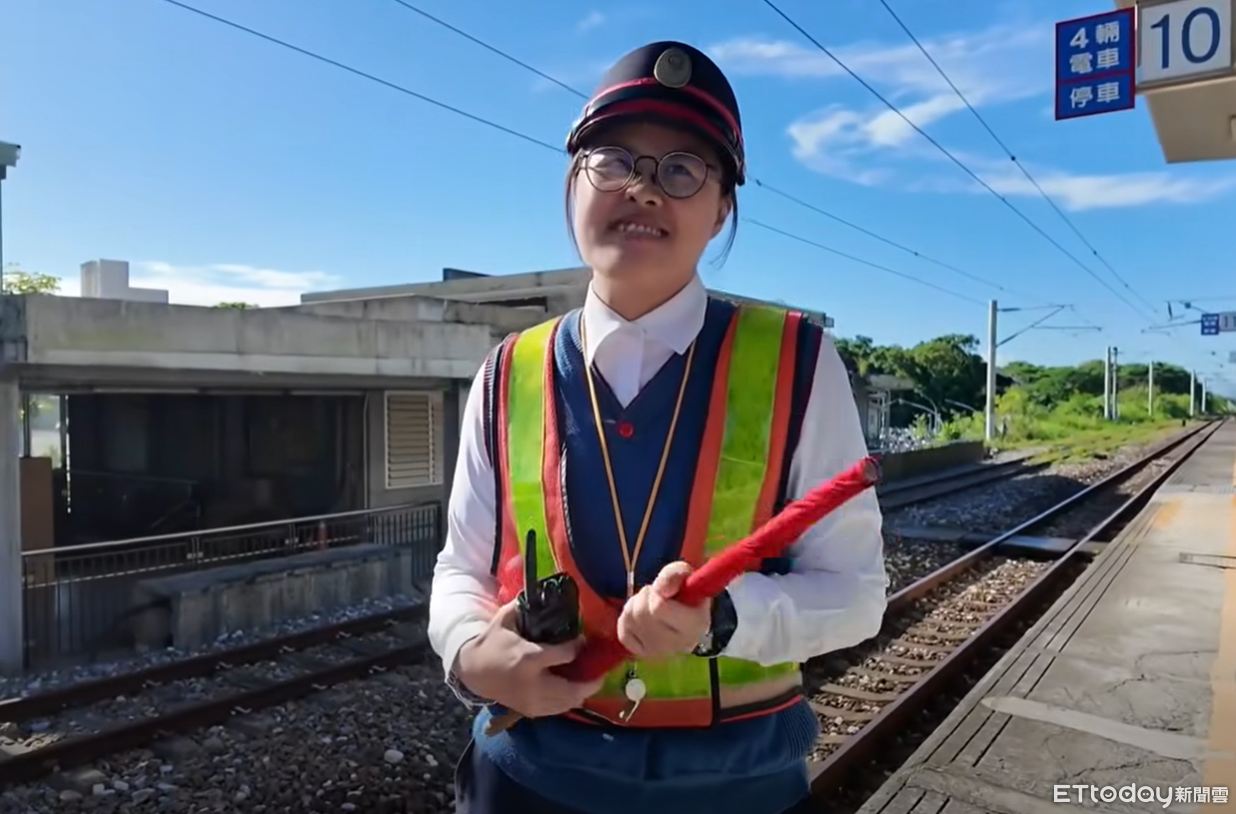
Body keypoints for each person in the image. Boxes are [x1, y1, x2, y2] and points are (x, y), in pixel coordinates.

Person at [428, 40, 888, 814]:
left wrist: (727, 619)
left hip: (736, 786)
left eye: (681, 170)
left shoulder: (801, 362)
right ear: (572, 184)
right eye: (612, 160)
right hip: (522, 776)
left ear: (722, 211)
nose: (642, 189)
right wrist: (471, 652)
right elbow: (460, 569)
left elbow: (857, 594)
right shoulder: (507, 371)